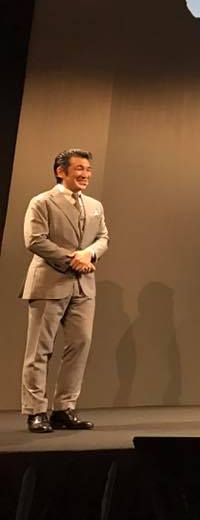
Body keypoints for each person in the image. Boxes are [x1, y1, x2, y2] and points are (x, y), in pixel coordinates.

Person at [20, 149, 109, 433]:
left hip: (84, 285)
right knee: (40, 350)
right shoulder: (42, 202)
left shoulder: (94, 205)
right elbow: (35, 240)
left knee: (80, 345)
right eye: (80, 168)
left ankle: (64, 409)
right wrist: (73, 259)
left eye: (88, 169)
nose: (86, 174)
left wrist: (90, 254)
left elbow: (103, 237)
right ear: (61, 171)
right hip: (49, 282)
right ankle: (36, 411)